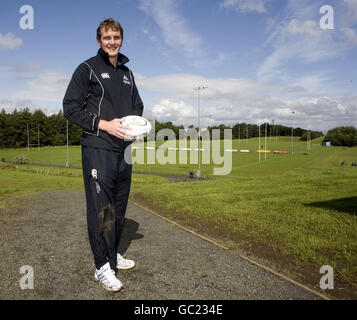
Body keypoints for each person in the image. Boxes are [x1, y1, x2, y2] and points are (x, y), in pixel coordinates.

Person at [63, 18, 144, 292]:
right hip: (98, 149)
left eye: (116, 37)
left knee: (118, 208)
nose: (112, 42)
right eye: (107, 37)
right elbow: (70, 107)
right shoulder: (87, 69)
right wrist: (104, 124)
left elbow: (138, 106)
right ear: (99, 40)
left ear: (121, 39)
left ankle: (112, 256)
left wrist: (134, 127)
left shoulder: (127, 73)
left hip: (124, 151)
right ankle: (101, 268)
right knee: (102, 210)